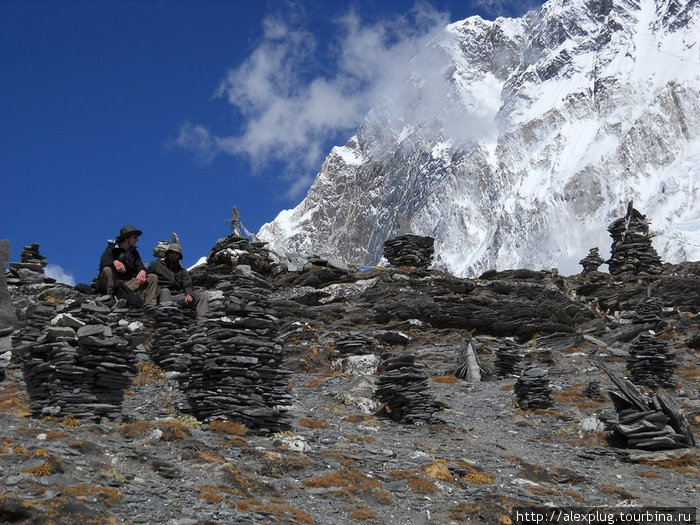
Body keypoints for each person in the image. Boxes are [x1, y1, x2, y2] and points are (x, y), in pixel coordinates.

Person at [97, 225, 158, 306]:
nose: (137, 239)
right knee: (107, 270)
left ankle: (150, 304)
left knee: (152, 277)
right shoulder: (112, 248)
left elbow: (140, 266)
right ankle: (110, 296)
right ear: (126, 238)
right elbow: (103, 262)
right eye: (135, 237)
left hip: (127, 284)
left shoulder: (134, 252)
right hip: (113, 283)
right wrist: (114, 262)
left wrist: (143, 271)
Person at [147, 243, 209, 322]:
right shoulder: (156, 265)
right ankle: (167, 319)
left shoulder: (182, 271)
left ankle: (203, 322)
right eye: (171, 252)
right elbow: (148, 278)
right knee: (165, 291)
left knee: (201, 297)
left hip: (177, 297)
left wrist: (189, 294)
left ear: (179, 256)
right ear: (167, 253)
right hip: (161, 295)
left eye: (176, 254)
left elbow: (188, 284)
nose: (173, 255)